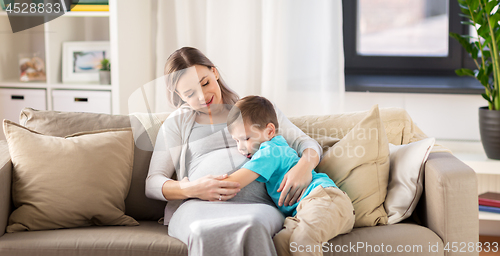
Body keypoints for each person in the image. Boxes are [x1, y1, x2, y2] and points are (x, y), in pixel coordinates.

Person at [145, 47, 323, 256]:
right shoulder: (177, 123)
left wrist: (304, 167)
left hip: (260, 205)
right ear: (179, 95)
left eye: (205, 83)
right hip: (199, 206)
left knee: (253, 225)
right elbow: (152, 182)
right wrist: (192, 189)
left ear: (215, 73)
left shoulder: (255, 109)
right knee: (204, 231)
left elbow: (308, 144)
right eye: (190, 93)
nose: (203, 96)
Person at [225, 95, 355, 256]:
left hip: (325, 199)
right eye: (236, 141)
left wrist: (202, 185)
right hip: (303, 211)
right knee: (281, 244)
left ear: (269, 131)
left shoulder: (270, 150)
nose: (241, 148)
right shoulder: (275, 146)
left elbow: (234, 182)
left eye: (245, 138)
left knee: (303, 241)